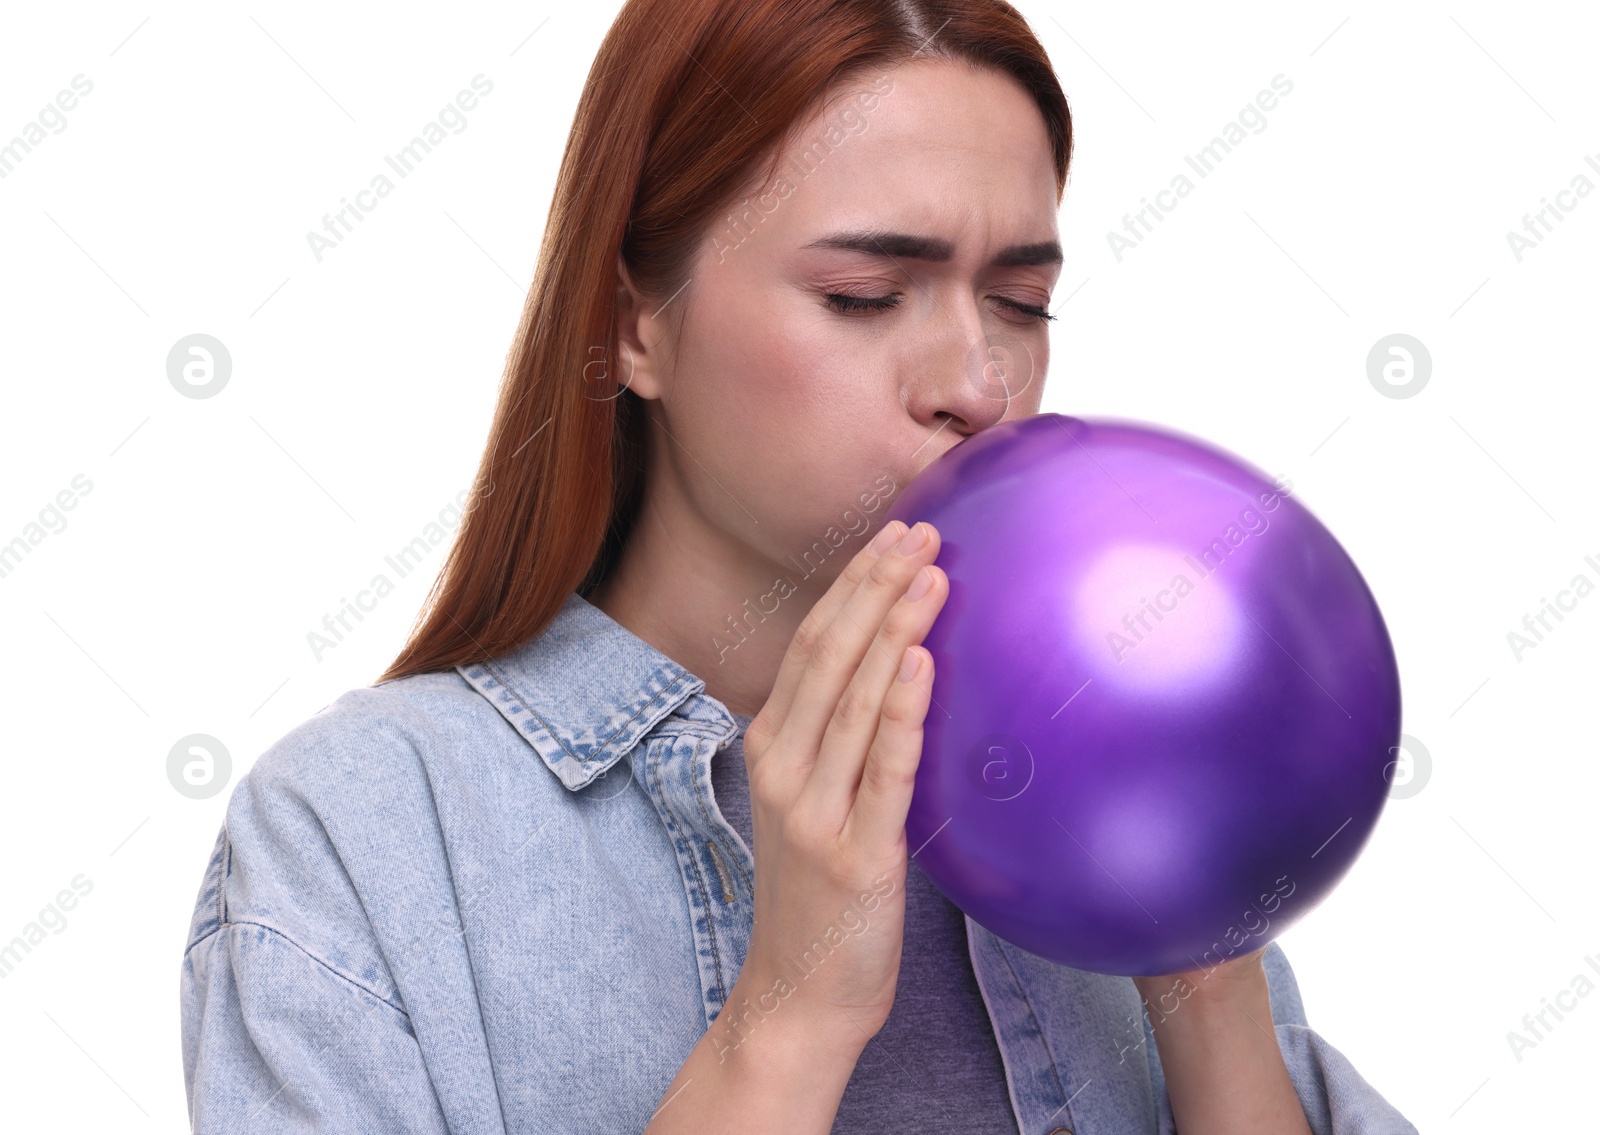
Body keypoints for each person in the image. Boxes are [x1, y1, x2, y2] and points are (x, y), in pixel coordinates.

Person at [178, 1, 1419, 1131]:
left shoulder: (1117, 783)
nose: (977, 386)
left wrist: (1203, 978)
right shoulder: (360, 838)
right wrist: (789, 1019)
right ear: (630, 325)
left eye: (1021, 303)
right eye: (866, 294)